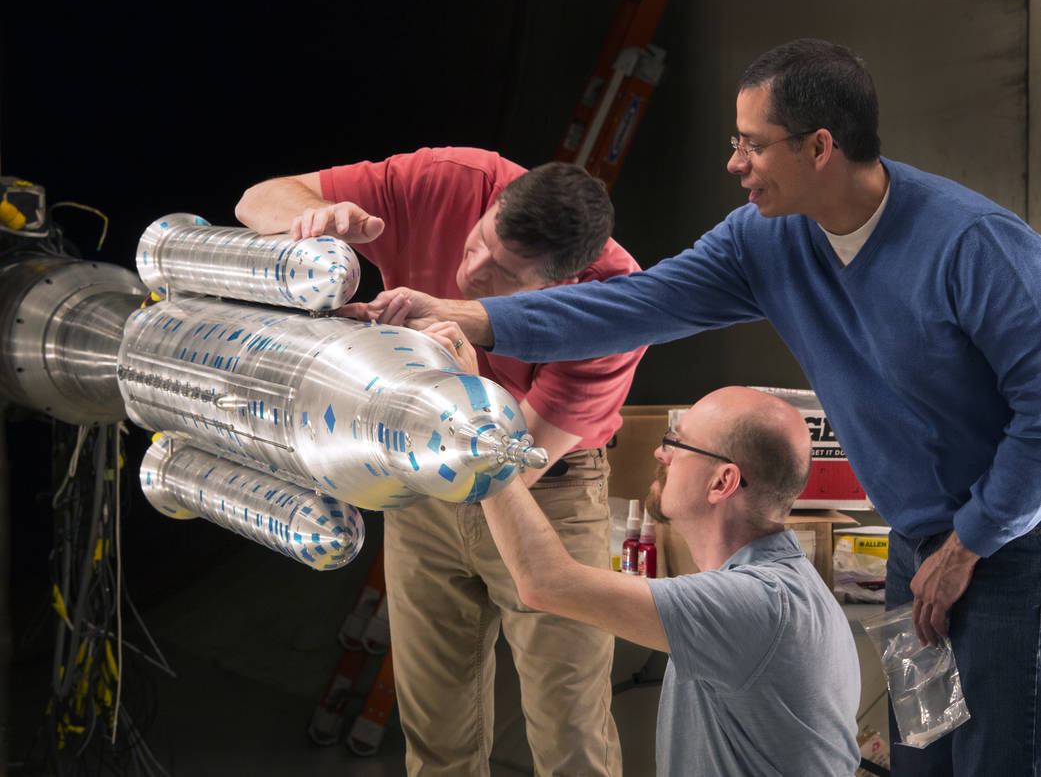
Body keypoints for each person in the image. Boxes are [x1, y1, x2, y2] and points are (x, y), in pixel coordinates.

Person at [372, 40, 1041, 776]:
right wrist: (473, 318)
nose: (734, 162)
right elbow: (634, 305)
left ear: (819, 147)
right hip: (920, 549)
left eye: (752, 144)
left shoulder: (972, 246)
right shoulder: (766, 239)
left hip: (1006, 550)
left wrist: (967, 544)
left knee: (994, 759)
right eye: (733, 142)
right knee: (923, 751)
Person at [235, 147, 645, 776]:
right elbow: (258, 198)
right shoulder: (452, 181)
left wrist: (461, 382)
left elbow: (516, 464)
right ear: (490, 207)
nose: (471, 273)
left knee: (572, 736)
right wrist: (321, 219)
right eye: (479, 241)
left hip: (542, 499)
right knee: (434, 727)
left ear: (561, 284)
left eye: (505, 274)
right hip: (419, 480)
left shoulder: (613, 303)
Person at [411, 356, 859, 776]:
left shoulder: (756, 604)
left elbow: (545, 582)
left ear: (723, 482)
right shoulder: (778, 586)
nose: (660, 454)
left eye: (677, 443)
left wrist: (479, 426)